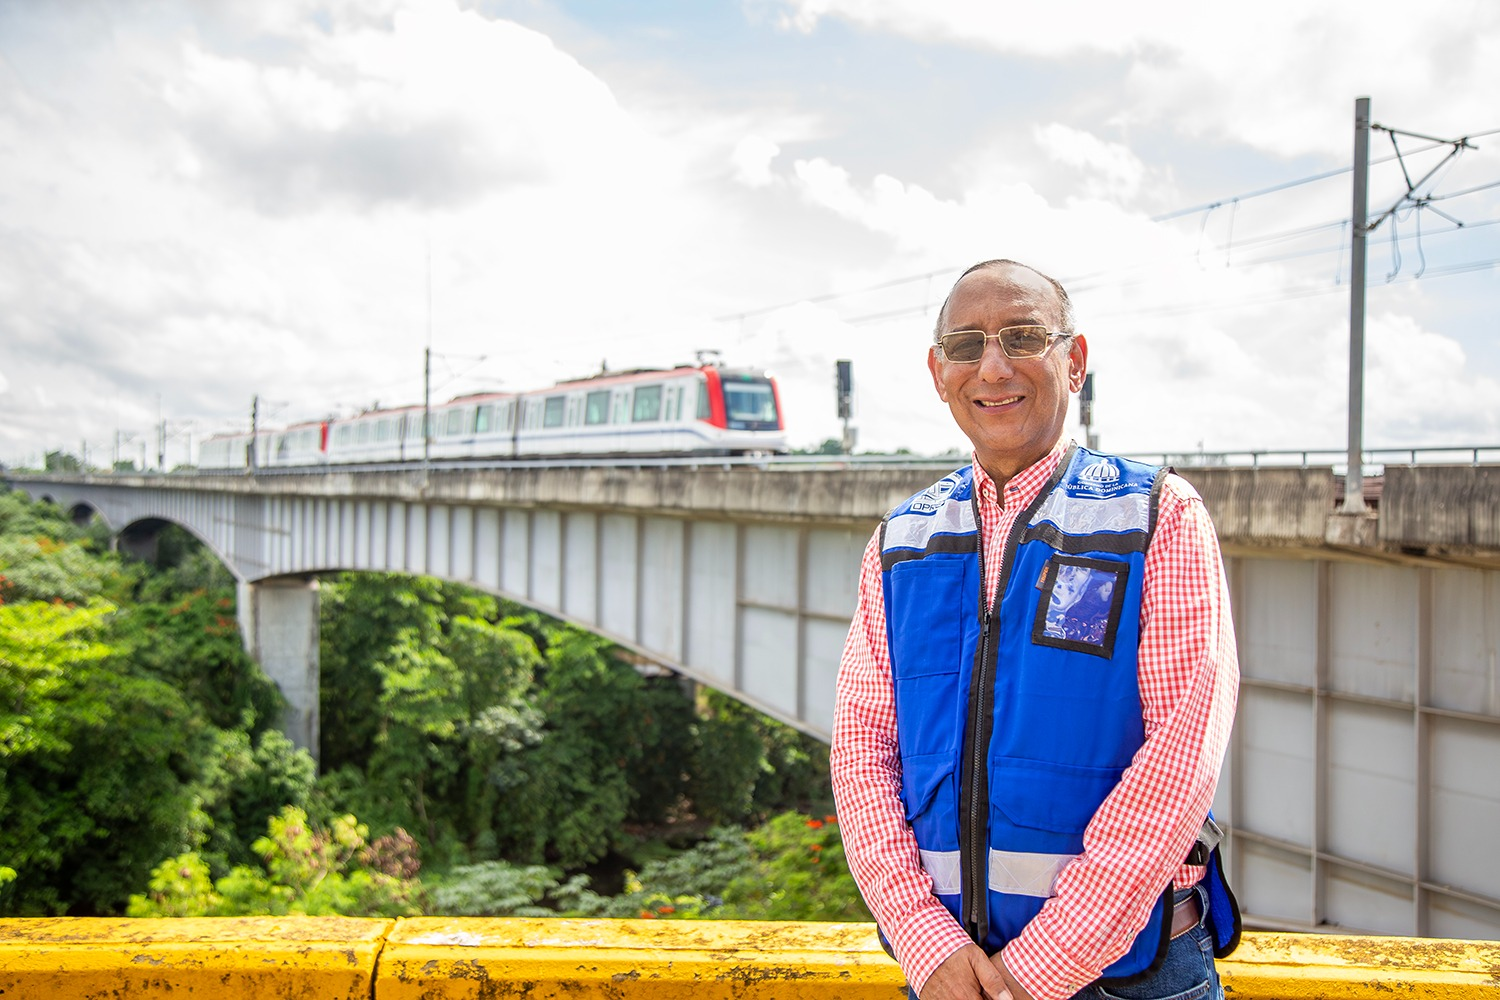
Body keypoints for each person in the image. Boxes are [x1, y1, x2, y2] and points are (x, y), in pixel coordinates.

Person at [830, 259, 1240, 1000]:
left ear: (1073, 360)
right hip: (951, 975)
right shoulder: (901, 540)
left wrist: (1036, 970)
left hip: (1131, 978)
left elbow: (1181, 754)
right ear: (938, 370)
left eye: (1022, 336)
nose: (992, 367)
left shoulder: (1159, 516)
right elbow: (862, 753)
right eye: (965, 345)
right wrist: (924, 942)